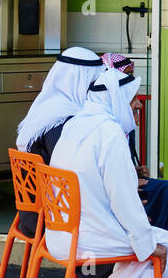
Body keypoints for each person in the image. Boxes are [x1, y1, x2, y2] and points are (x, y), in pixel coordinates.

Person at [48, 68, 168, 278]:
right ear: (117, 98)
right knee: (167, 246)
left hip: (61, 234)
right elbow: (124, 200)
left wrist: (141, 239)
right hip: (87, 239)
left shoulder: (76, 124)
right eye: (133, 97)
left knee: (144, 245)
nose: (139, 104)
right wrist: (146, 243)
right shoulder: (110, 134)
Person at [13, 47, 102, 236]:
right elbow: (74, 172)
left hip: (30, 216)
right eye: (92, 83)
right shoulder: (62, 119)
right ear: (79, 82)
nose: (95, 89)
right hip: (53, 220)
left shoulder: (44, 110)